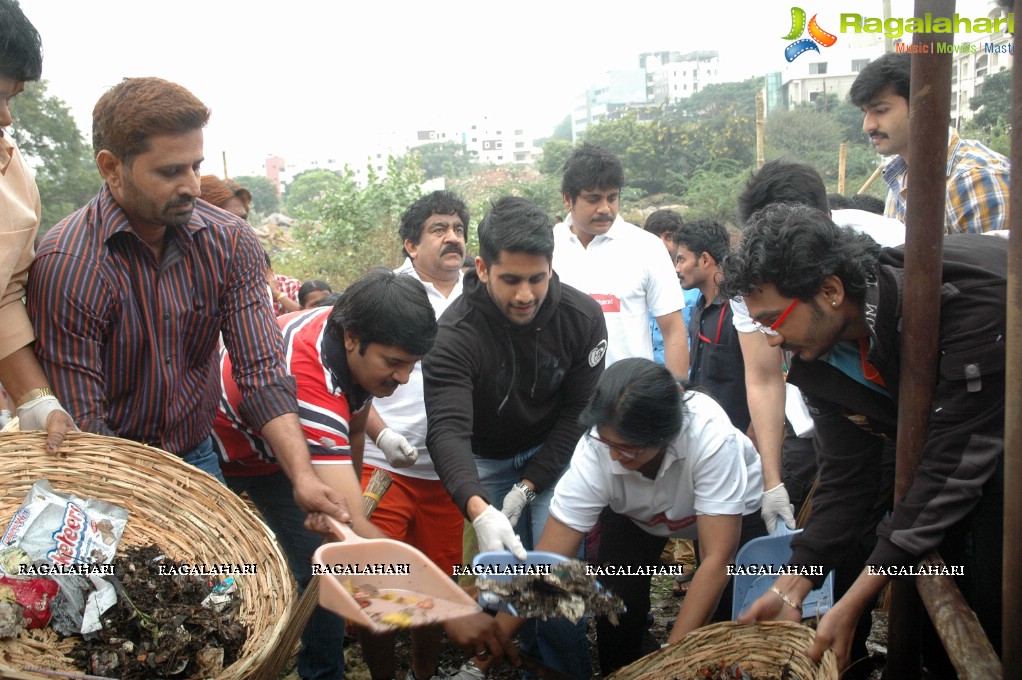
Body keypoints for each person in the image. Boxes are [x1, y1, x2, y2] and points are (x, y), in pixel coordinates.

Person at [27, 77, 347, 521]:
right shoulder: (72, 263)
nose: (193, 186)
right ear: (111, 167)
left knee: (226, 583)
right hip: (107, 464)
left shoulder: (229, 242)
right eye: (170, 171)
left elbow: (262, 373)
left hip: (195, 454)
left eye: (195, 166)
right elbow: (85, 422)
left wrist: (304, 476)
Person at [726, 204, 1005, 676]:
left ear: (831, 290)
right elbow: (848, 476)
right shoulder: (819, 361)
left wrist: (853, 601)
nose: (771, 340)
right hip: (969, 445)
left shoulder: (961, 305)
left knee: (997, 598)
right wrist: (790, 586)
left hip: (999, 440)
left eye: (775, 320)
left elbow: (950, 468)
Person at [214, 268, 486, 680]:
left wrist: (348, 495)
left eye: (412, 364)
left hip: (278, 451)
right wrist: (448, 609)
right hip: (219, 447)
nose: (403, 378)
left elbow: (356, 428)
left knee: (324, 570)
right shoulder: (312, 386)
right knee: (212, 577)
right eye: (394, 363)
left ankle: (323, 674)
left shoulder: (343, 335)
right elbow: (355, 535)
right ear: (352, 339)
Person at [423, 196, 608, 680]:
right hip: (485, 459)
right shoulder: (453, 335)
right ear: (482, 268)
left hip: (556, 452)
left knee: (557, 586)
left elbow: (577, 415)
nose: (526, 294)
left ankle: (565, 669)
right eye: (511, 280)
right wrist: (478, 507)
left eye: (537, 278)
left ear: (551, 267)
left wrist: (529, 486)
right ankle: (506, 665)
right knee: (500, 587)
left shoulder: (582, 319)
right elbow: (447, 430)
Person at [495, 359, 764, 675]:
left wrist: (670, 662)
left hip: (732, 516)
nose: (613, 457)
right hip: (636, 517)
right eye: (607, 443)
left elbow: (718, 560)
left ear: (666, 434)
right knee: (617, 603)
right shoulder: (595, 450)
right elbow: (549, 560)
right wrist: (495, 636)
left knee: (725, 616)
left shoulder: (711, 437)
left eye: (627, 448)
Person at [732, 159, 906, 532]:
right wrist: (772, 479)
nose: (773, 335)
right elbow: (763, 377)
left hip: (894, 409)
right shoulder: (753, 275)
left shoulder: (890, 241)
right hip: (819, 413)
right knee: (834, 519)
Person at [358, 191, 471, 680]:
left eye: (459, 228)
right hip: (383, 468)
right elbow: (348, 379)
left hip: (447, 474)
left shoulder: (479, 296)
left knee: (436, 585)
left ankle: (423, 675)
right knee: (376, 587)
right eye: (438, 229)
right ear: (410, 243)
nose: (452, 237)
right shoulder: (384, 294)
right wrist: (382, 437)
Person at [0, 0, 75, 452]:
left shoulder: (12, 178)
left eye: (8, 98)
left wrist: (36, 399)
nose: (6, 118)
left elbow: (4, 295)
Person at [553, 143, 688, 377]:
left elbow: (673, 330)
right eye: (593, 199)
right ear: (568, 199)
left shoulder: (646, 248)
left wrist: (675, 395)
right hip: (565, 403)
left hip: (631, 399)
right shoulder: (548, 247)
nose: (605, 208)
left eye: (612, 198)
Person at [850, 51, 1010, 234]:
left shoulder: (976, 179)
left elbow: (992, 261)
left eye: (881, 110)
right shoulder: (898, 175)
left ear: (923, 105)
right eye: (865, 113)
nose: (868, 126)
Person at [675, 219, 750, 433]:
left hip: (737, 433)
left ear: (705, 259)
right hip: (703, 431)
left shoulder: (740, 309)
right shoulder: (698, 308)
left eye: (681, 260)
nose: (677, 268)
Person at [642, 209, 700, 363]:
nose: (661, 244)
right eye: (655, 237)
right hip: (642, 378)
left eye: (669, 237)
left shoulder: (695, 289)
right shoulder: (634, 285)